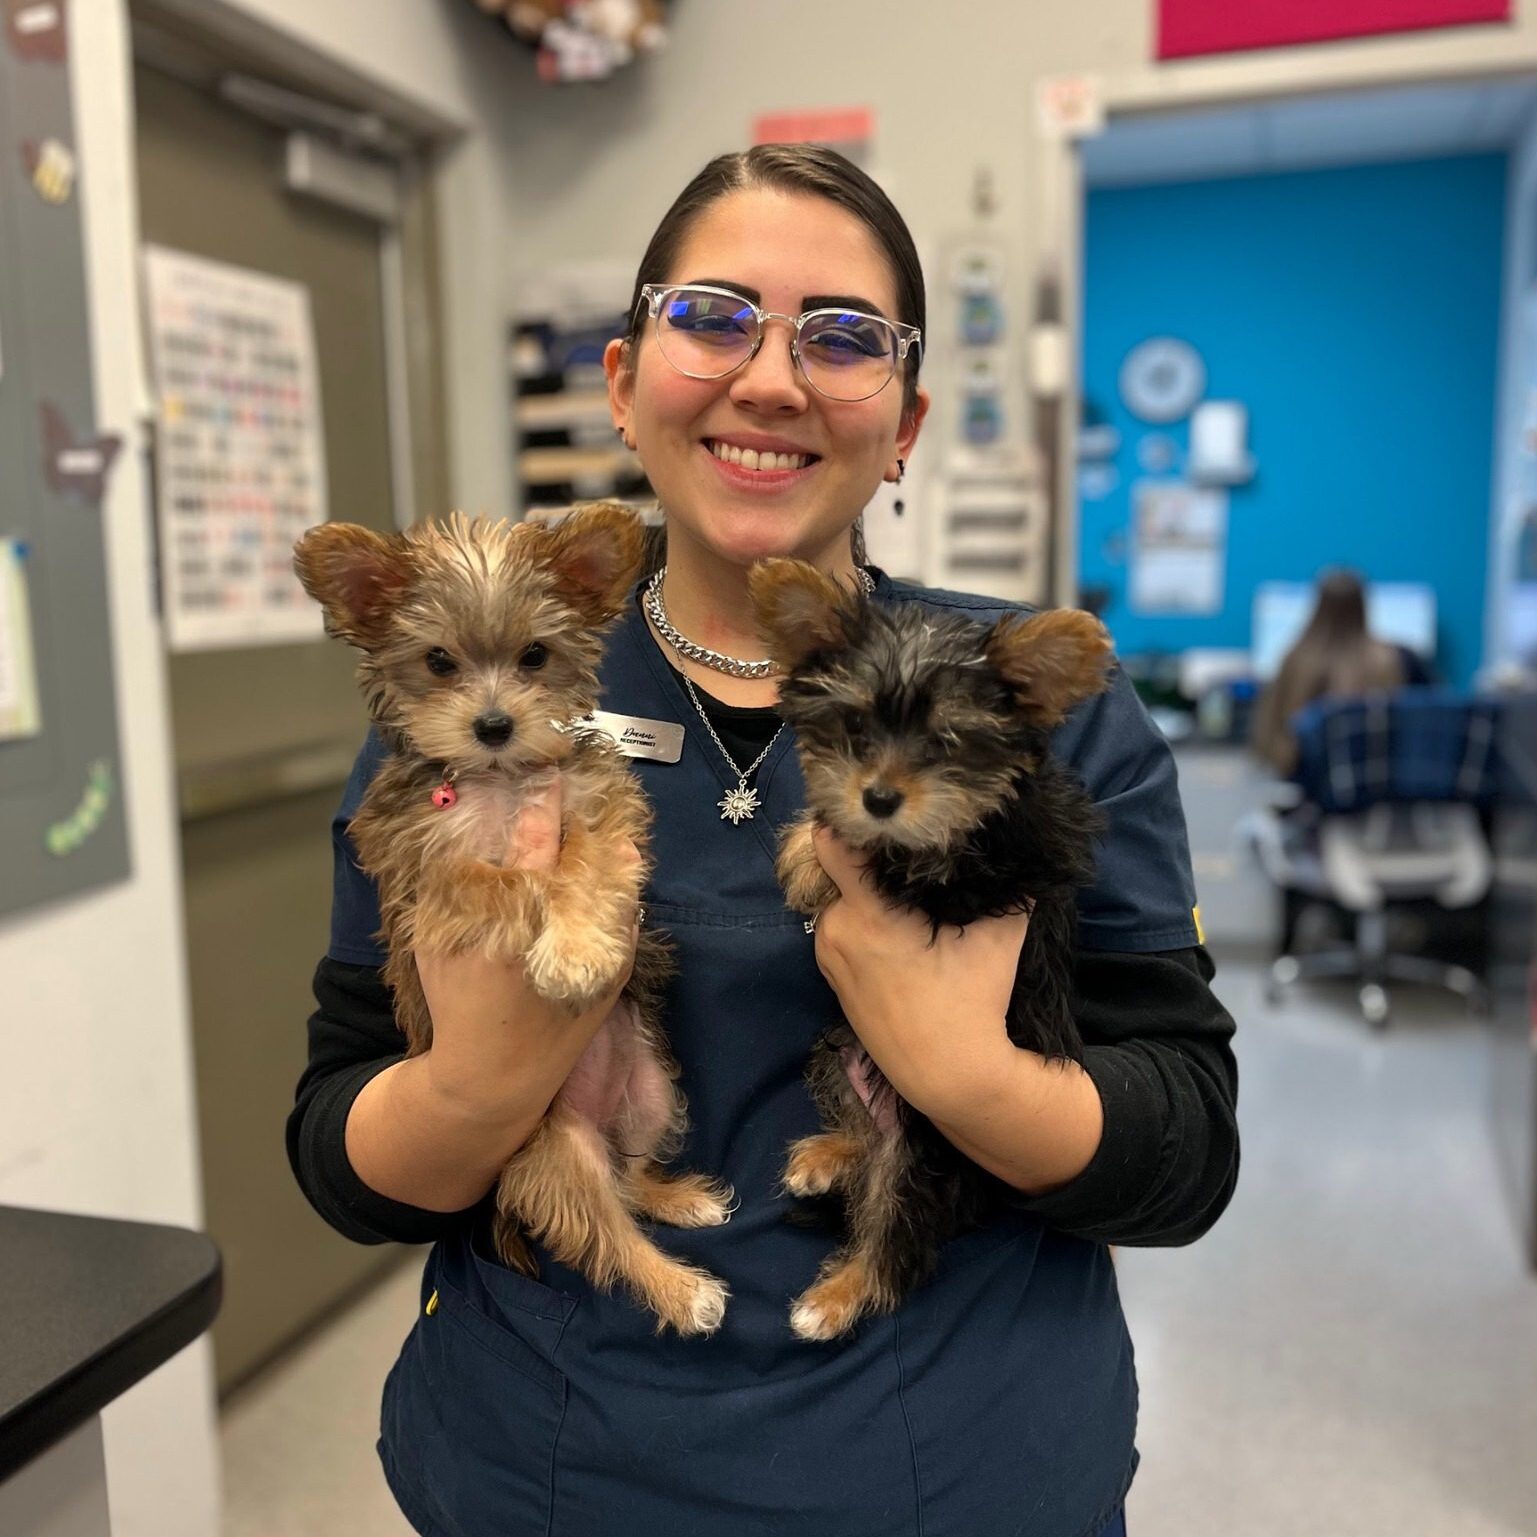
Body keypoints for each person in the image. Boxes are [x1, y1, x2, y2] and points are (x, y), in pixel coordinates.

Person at [288, 144, 1239, 1537]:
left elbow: (1186, 1150)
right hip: (552, 1477)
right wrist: (478, 1083)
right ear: (624, 382)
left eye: (842, 338)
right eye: (712, 315)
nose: (772, 378)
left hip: (962, 1478)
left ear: (906, 421)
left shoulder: (1035, 707)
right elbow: (340, 1153)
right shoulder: (467, 720)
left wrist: (968, 1073)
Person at [1250, 567, 1428, 776]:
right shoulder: (1399, 660)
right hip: (1379, 780)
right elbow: (1438, 718)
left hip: (1308, 782)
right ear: (1363, 605)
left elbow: (1270, 732)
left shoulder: (1295, 661)